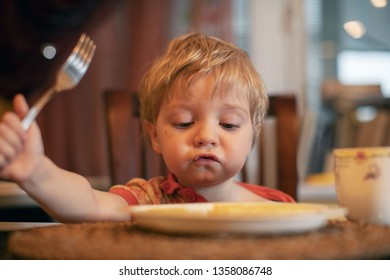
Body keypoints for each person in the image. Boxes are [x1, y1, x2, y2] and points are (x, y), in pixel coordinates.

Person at [0, 32, 294, 223]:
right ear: (154, 136)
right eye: (183, 122)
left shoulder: (278, 209)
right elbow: (89, 204)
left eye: (228, 124)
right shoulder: (146, 202)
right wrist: (37, 172)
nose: (206, 137)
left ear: (253, 137)